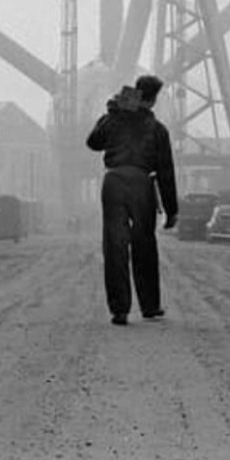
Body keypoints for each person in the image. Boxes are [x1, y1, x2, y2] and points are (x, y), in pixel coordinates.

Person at [85, 73, 179, 325]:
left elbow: (93, 142)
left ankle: (119, 310)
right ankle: (149, 306)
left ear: (135, 93)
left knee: (114, 246)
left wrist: (111, 111)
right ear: (154, 99)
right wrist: (172, 210)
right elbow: (166, 172)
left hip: (113, 182)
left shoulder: (115, 118)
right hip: (141, 184)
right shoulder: (157, 130)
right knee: (144, 245)